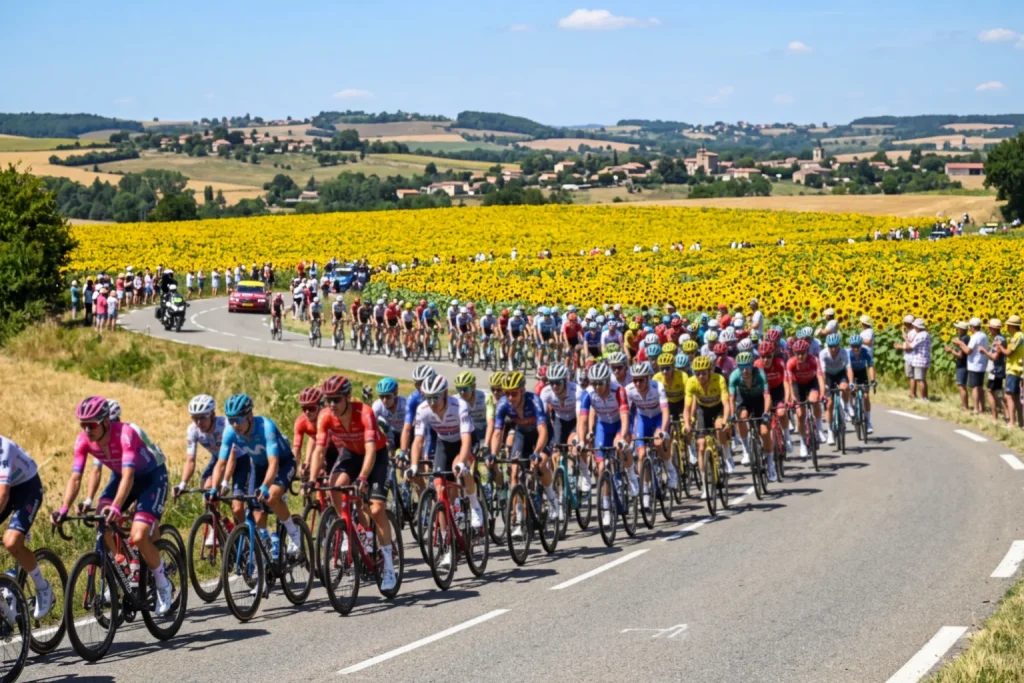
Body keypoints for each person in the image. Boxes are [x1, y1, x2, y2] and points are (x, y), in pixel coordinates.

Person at [54, 397, 174, 615]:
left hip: (151, 478)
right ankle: (126, 569)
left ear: (106, 422)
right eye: (83, 424)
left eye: (91, 424)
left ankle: (162, 583)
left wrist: (117, 507)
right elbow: (75, 477)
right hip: (121, 477)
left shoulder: (125, 434)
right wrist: (64, 508)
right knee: (101, 521)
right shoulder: (83, 440)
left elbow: (129, 476)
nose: (87, 430)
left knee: (139, 536)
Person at [307, 376, 397, 591]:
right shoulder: (325, 416)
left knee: (376, 509)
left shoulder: (364, 412)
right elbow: (319, 450)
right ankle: (349, 529)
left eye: (336, 399)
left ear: (347, 397)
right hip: (350, 454)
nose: (331, 404)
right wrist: (311, 479)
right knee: (334, 486)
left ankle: (389, 566)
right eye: (328, 400)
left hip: (376, 455)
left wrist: (363, 477)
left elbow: (371, 449)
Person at [208, 394, 303, 564]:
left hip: (283, 463)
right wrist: (214, 488)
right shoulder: (230, 432)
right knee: (256, 512)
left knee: (271, 497)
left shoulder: (266, 427)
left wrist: (265, 487)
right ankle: (266, 549)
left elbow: (274, 464)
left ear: (250, 416)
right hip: (259, 466)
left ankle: (293, 532)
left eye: (238, 420)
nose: (235, 425)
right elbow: (220, 463)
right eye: (231, 420)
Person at [0, 436, 53, 618]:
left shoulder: (3, 448)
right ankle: (6, 592)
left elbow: (3, 494)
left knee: (11, 542)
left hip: (26, 489)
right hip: (5, 490)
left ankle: (43, 588)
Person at [683, 356, 733, 498]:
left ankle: (727, 456)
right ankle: (705, 485)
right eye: (697, 373)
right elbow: (687, 408)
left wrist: (726, 420)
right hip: (703, 410)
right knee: (700, 445)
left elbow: (726, 403)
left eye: (703, 373)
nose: (700, 376)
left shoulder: (719, 379)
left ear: (710, 371)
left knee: (719, 426)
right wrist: (687, 424)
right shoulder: (691, 382)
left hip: (718, 408)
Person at [954, 318, 989, 416]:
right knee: (980, 387)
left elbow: (968, 351)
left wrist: (960, 343)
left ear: (973, 327)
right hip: (982, 364)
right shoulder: (984, 335)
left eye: (970, 327)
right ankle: (982, 408)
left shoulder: (975, 337)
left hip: (975, 364)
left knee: (975, 388)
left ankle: (976, 409)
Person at [980, 319, 1007, 422]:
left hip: (995, 370)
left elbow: (995, 356)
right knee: (999, 392)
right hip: (999, 370)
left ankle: (994, 417)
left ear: (994, 329)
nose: (989, 330)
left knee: (990, 391)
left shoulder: (998, 340)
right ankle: (1006, 415)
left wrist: (984, 351)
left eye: (990, 328)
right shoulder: (1002, 338)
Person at [1000, 315, 1024, 427]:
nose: (1007, 328)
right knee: (1017, 396)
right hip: (1019, 369)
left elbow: (1008, 352)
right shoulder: (1021, 336)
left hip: (1013, 370)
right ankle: (1021, 422)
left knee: (1009, 396)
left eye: (1008, 326)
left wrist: (1000, 347)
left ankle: (1012, 422)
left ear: (1013, 326)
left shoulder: (1016, 337)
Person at [945, 322, 971, 412]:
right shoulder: (965, 338)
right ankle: (964, 406)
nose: (957, 330)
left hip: (962, 365)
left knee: (961, 386)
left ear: (963, 330)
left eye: (958, 328)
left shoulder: (963, 339)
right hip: (964, 364)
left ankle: (965, 407)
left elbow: (960, 355)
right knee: (961, 385)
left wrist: (951, 351)